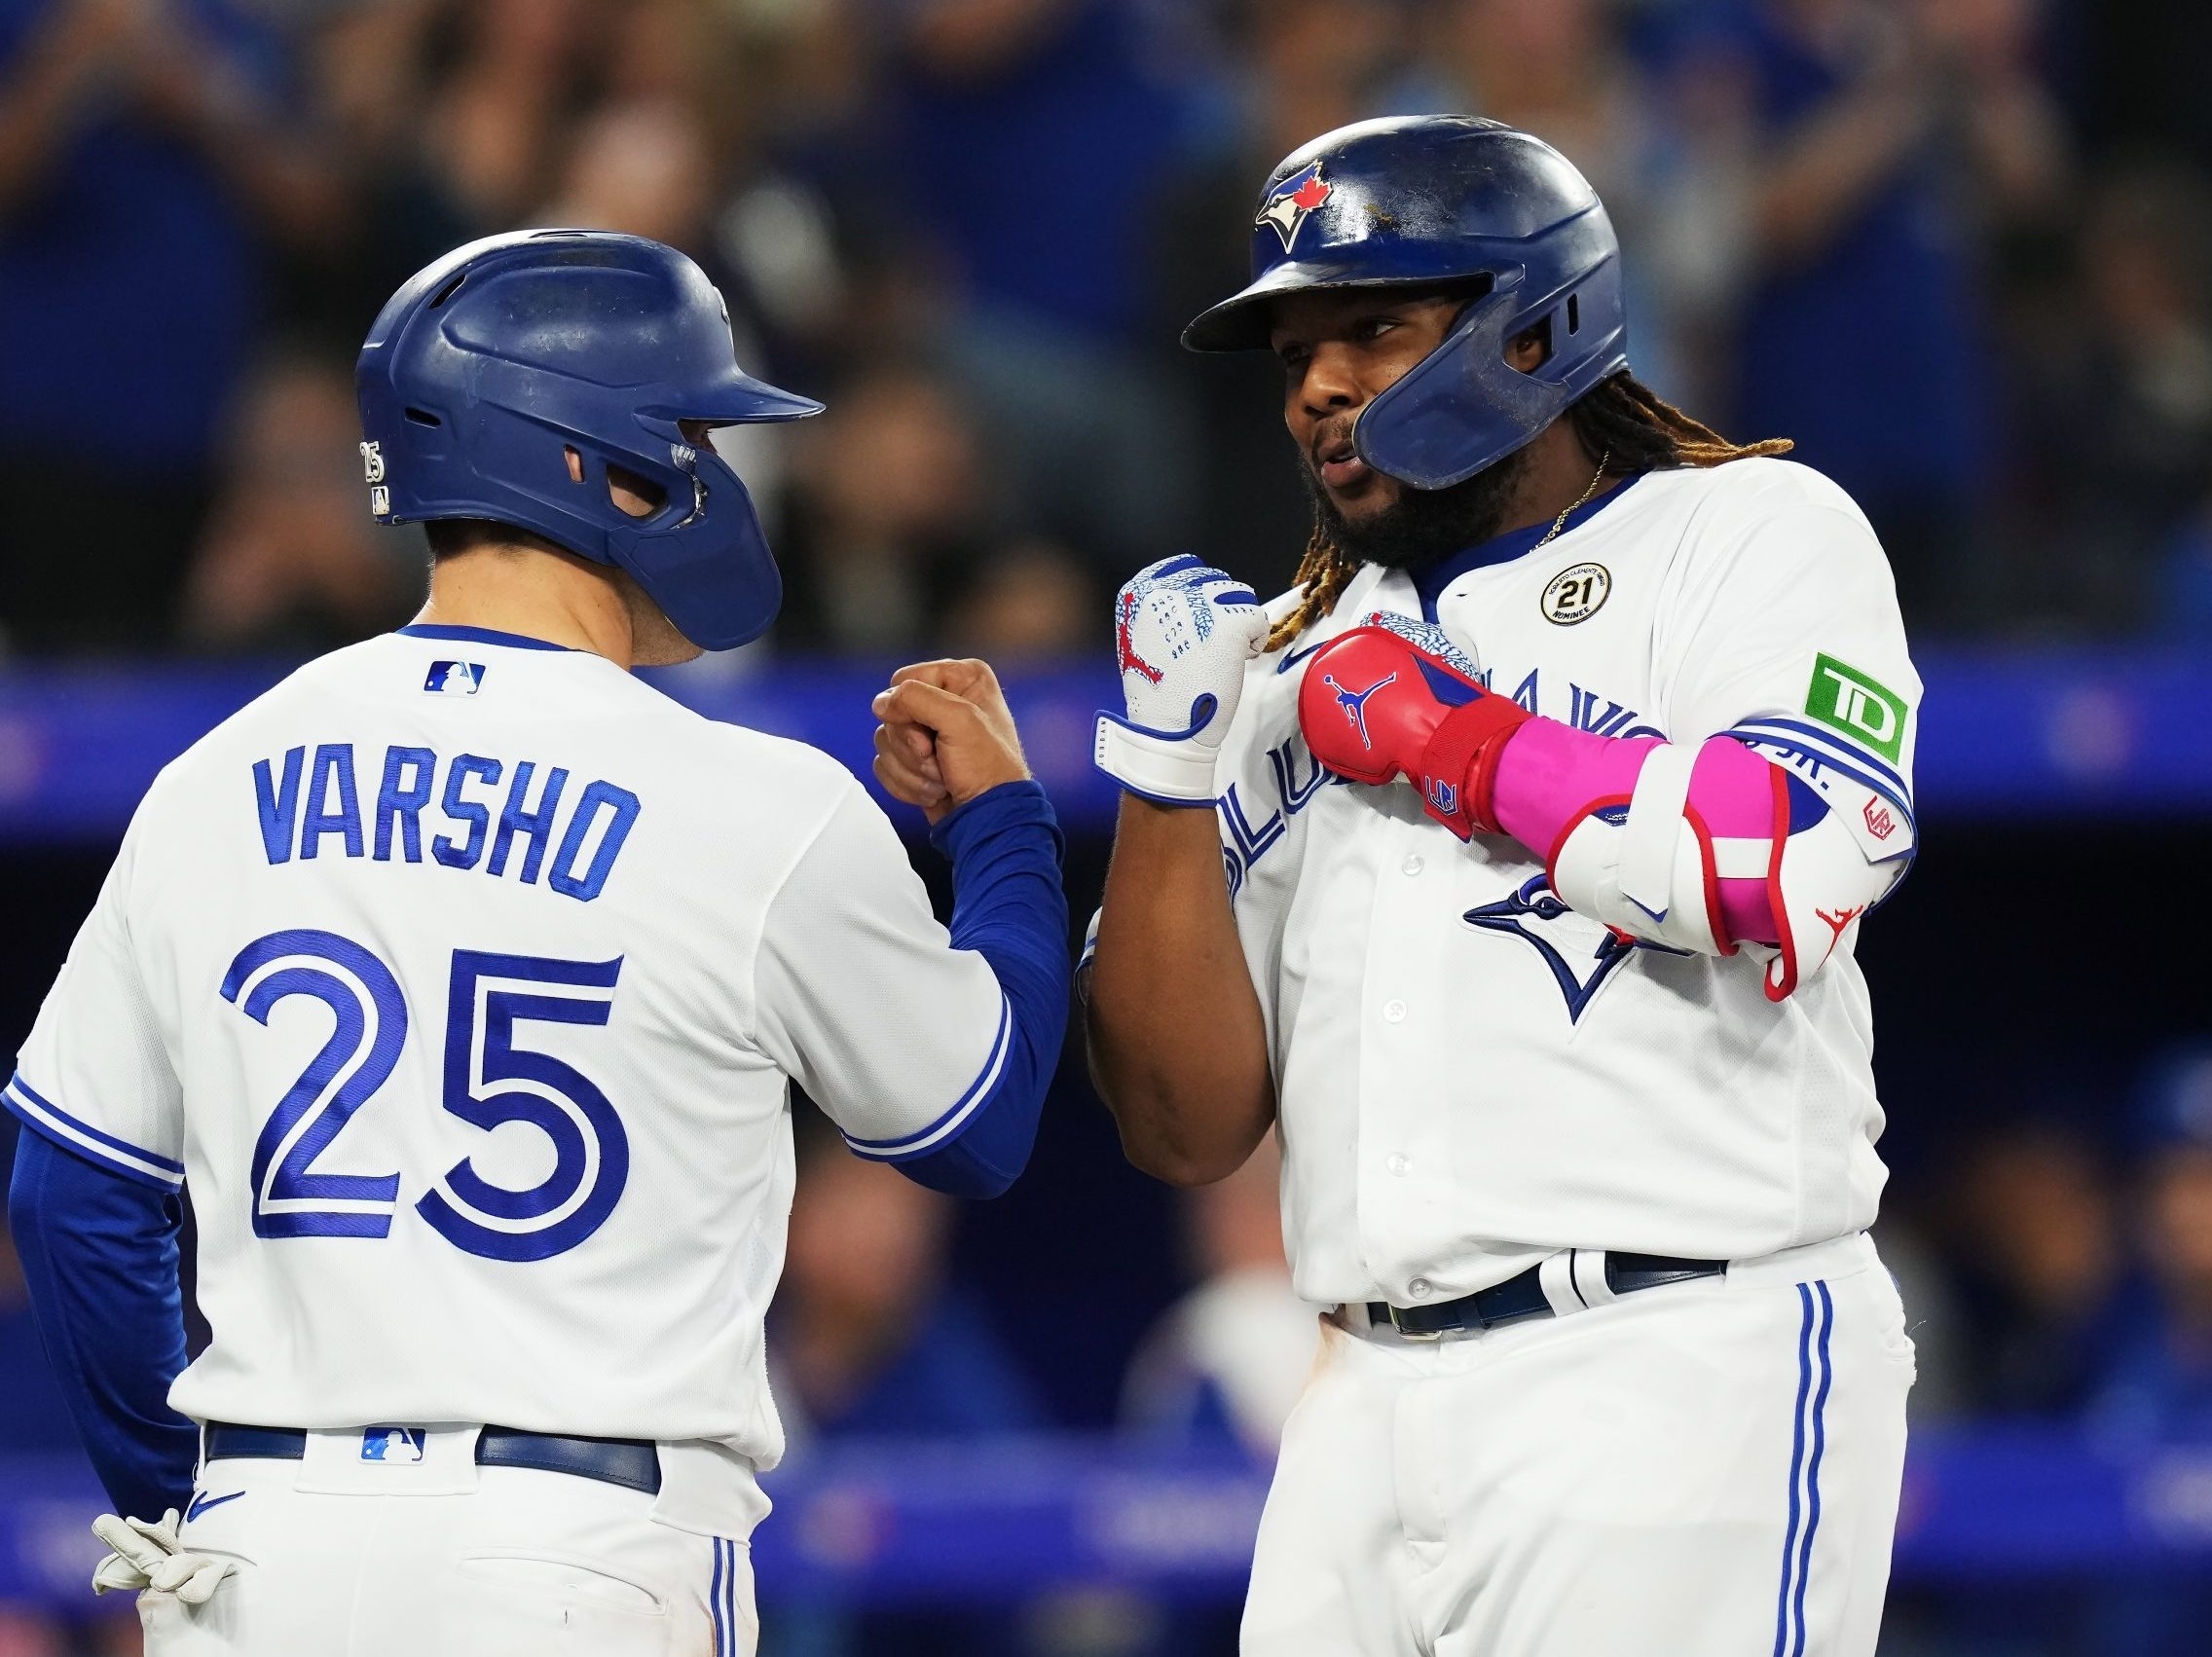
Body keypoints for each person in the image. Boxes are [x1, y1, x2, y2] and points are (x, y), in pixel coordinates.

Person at [3, 230, 1070, 1656]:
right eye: (691, 433)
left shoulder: (214, 777)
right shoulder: (748, 799)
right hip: (579, 1547)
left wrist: (185, 1500)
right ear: (592, 462)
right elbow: (978, 1117)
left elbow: (71, 1196)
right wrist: (1003, 821)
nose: (719, 474)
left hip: (269, 1543)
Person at [1066, 116, 1921, 1655]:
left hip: (1676, 1358)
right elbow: (1182, 1124)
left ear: (1540, 324)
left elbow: (1785, 854)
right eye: (1293, 354)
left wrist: (1455, 737)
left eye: (1375, 327)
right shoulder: (1284, 661)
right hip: (1361, 1399)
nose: (1320, 387)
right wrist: (1164, 775)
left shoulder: (1748, 530)